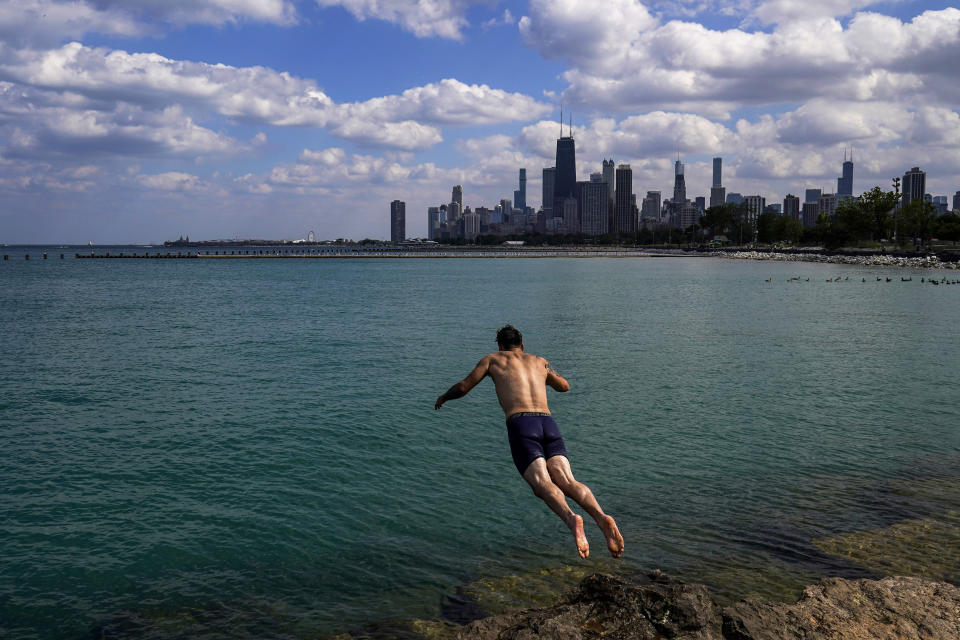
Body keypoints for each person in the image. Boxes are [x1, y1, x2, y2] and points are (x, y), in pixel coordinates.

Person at [434, 325, 624, 559]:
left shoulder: (493, 360)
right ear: (522, 346)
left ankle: (571, 518)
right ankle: (601, 516)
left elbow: (464, 386)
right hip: (548, 422)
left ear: (500, 346)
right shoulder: (539, 361)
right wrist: (545, 373)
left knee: (542, 483)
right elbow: (564, 386)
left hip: (521, 424)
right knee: (566, 479)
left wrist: (444, 397)